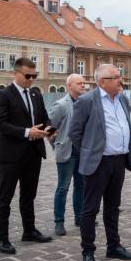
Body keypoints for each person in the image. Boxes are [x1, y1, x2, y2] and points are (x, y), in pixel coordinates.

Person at [69, 64, 131, 261]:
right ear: (102, 82)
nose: (120, 80)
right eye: (116, 77)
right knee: (90, 209)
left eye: (120, 76)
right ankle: (88, 251)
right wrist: (91, 152)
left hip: (119, 161)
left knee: (113, 207)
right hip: (98, 163)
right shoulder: (87, 101)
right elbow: (75, 132)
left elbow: (126, 125)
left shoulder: (123, 99)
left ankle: (113, 246)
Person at [0, 57, 54, 254]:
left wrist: (51, 129)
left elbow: (44, 118)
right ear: (16, 73)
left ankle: (29, 231)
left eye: (34, 76)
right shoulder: (4, 95)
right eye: (27, 76)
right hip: (11, 155)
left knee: (29, 195)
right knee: (5, 197)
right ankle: (2, 239)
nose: (31, 79)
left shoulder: (35, 94)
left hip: (33, 153)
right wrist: (28, 132)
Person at [48, 73, 86, 236]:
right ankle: (59, 221)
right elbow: (49, 127)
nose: (83, 86)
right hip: (67, 153)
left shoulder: (85, 103)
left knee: (81, 187)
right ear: (69, 85)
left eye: (83, 83)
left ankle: (79, 217)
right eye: (79, 83)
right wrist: (56, 145)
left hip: (82, 153)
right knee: (63, 188)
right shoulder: (61, 104)